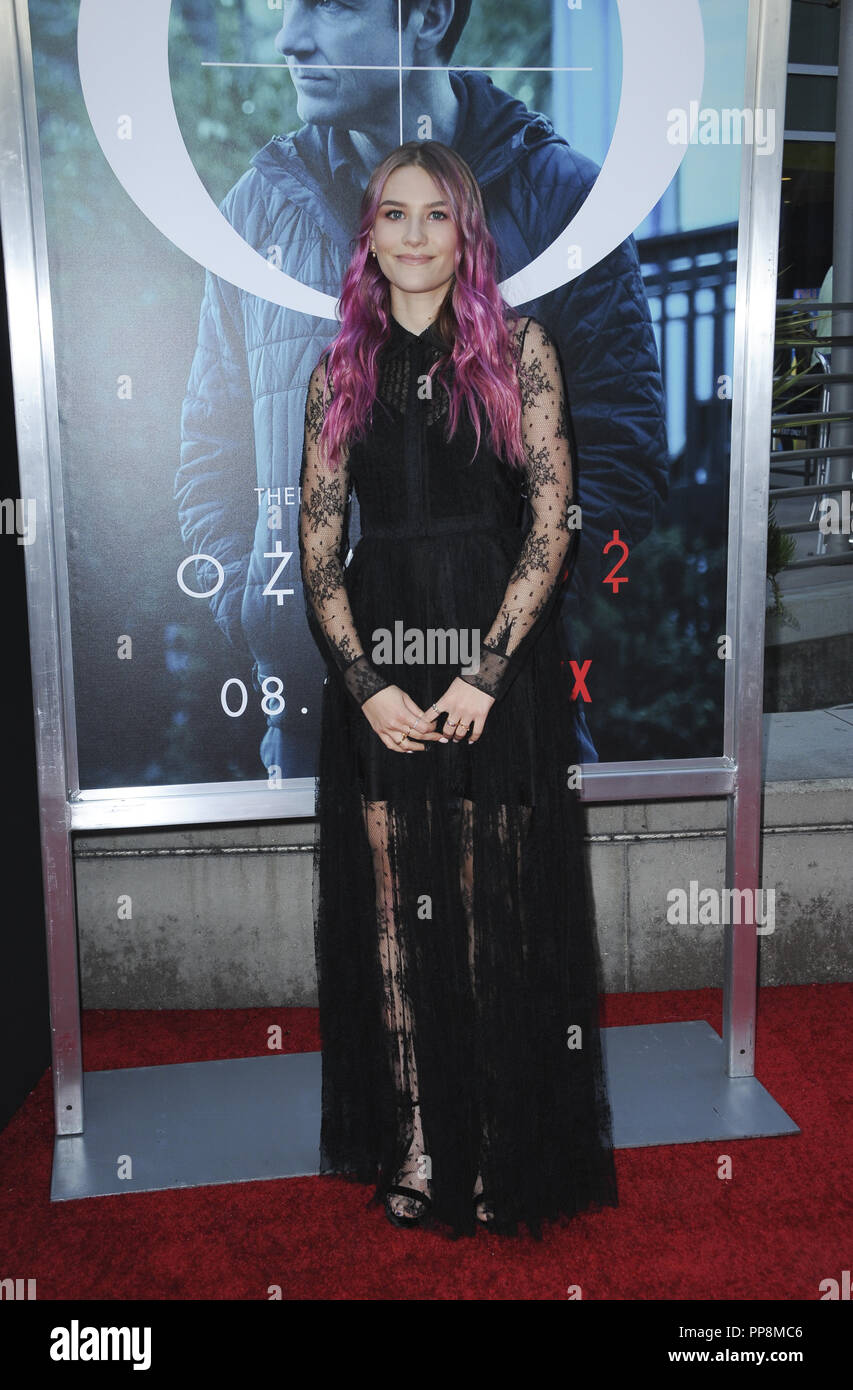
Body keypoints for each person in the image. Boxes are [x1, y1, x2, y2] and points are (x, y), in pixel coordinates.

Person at [176, 0, 668, 778]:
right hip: (319, 714)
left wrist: (492, 633)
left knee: (511, 903)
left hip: (505, 706)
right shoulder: (254, 212)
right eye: (286, 5)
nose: (288, 38)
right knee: (347, 904)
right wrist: (266, 614)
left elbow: (620, 456)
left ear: (430, 15)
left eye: (330, 5)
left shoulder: (565, 202)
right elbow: (210, 452)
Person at [298, 140, 618, 1238]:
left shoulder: (522, 350)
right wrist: (364, 683)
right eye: (395, 214)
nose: (418, 234)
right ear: (369, 235)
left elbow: (548, 525)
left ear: (466, 233)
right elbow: (316, 547)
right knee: (393, 921)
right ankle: (423, 1141)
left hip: (498, 666)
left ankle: (494, 1144)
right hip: (382, 664)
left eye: (439, 215)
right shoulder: (336, 371)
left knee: (487, 914)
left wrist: (487, 669)